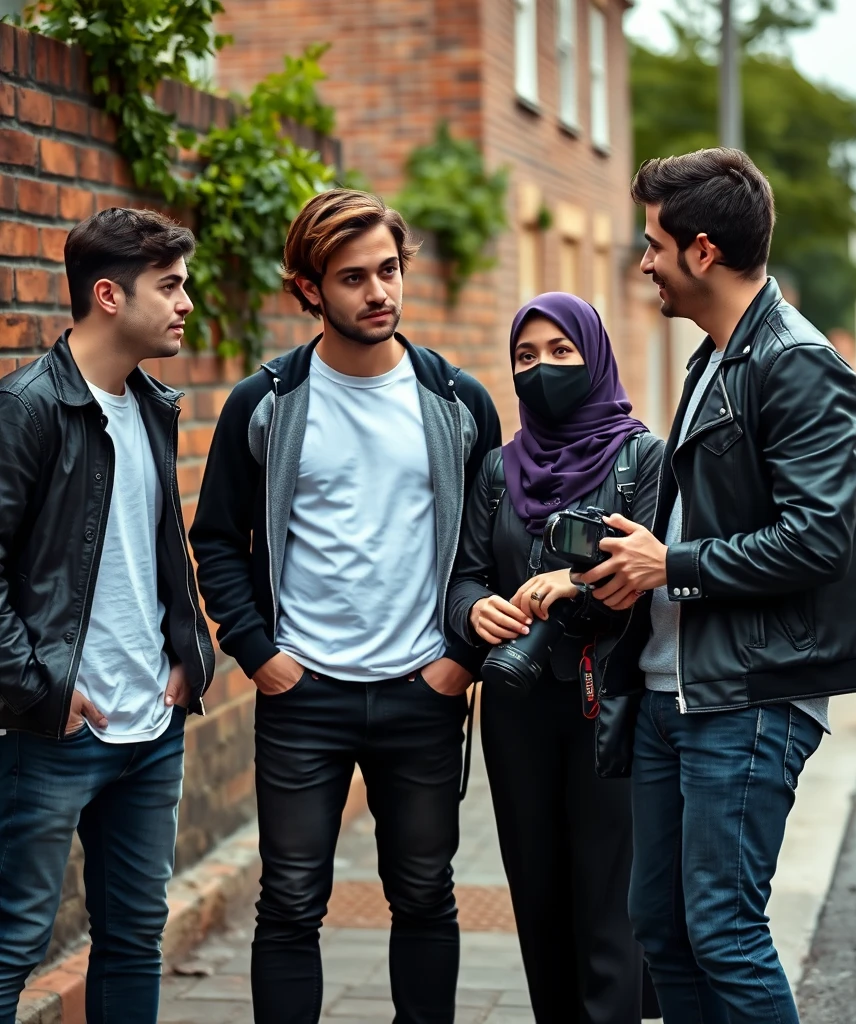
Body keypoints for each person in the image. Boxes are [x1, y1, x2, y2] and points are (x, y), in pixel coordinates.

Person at [579, 149, 856, 1024]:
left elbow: (819, 538)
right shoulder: (714, 357)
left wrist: (670, 566)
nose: (644, 264)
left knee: (722, 929)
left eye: (654, 246)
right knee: (661, 928)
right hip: (678, 688)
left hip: (747, 695)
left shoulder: (796, 363)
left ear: (701, 251)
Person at [189, 189, 500, 1024]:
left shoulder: (458, 403)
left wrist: (460, 662)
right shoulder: (267, 404)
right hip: (305, 695)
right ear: (308, 288)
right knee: (290, 903)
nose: (378, 293)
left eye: (389, 271)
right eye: (353, 277)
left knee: (427, 894)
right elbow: (216, 538)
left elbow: (493, 546)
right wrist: (259, 653)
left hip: (421, 689)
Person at [0, 208, 215, 1024]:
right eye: (170, 286)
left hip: (151, 727)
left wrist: (184, 653)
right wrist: (37, 688)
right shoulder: (27, 408)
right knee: (14, 940)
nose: (186, 302)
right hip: (58, 730)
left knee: (132, 937)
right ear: (108, 296)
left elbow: (151, 549)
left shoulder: (152, 405)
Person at [447, 293, 664, 1024]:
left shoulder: (642, 460)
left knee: (609, 905)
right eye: (526, 356)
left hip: (609, 707)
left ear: (595, 355)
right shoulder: (497, 470)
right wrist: (475, 610)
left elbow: (656, 580)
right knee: (538, 901)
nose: (543, 369)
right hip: (517, 705)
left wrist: (575, 582)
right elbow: (464, 576)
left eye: (562, 352)